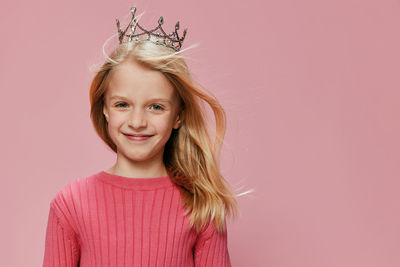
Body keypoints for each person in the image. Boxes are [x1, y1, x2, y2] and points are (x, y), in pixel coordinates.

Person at [42, 6, 240, 267]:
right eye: (122, 104)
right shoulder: (71, 203)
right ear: (104, 109)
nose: (137, 122)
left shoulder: (201, 206)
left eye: (156, 107)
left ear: (178, 116)